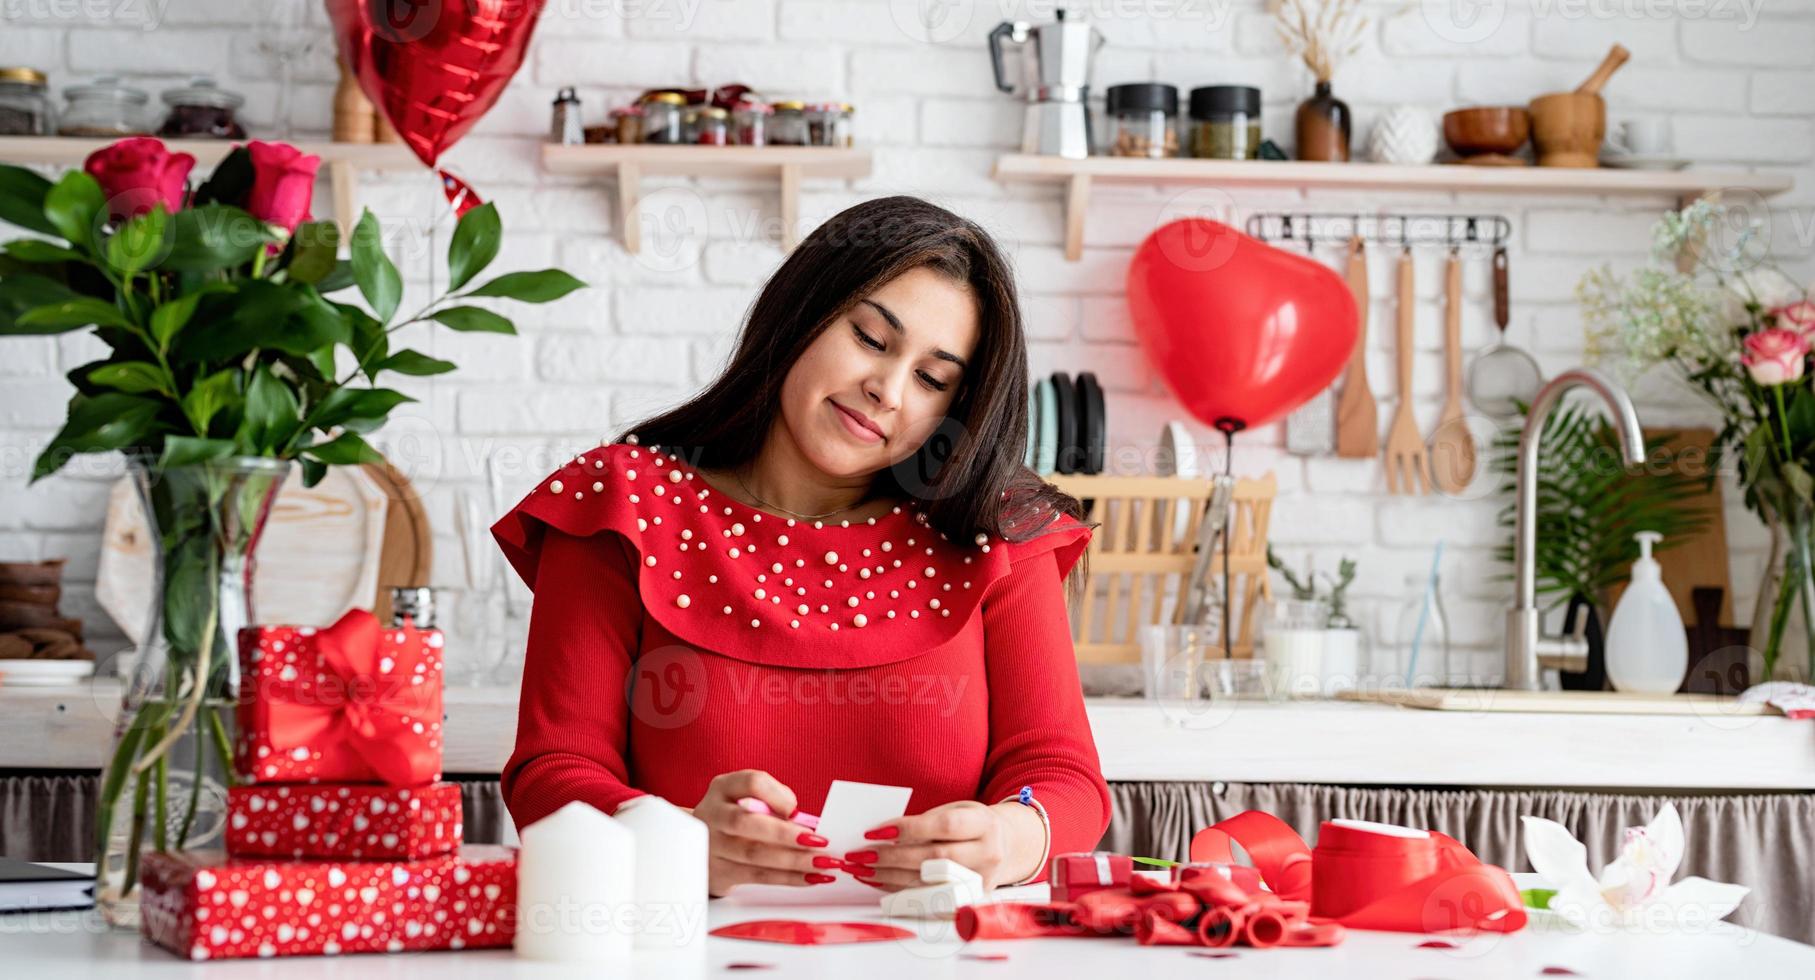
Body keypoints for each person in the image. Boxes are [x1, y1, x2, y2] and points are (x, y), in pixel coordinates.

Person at [492, 195, 1109, 898]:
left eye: (931, 379)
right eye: (872, 340)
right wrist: (674, 840)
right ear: (800, 314)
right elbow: (552, 769)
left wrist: (1011, 837)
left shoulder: (993, 531)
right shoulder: (623, 503)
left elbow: (1061, 776)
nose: (886, 389)